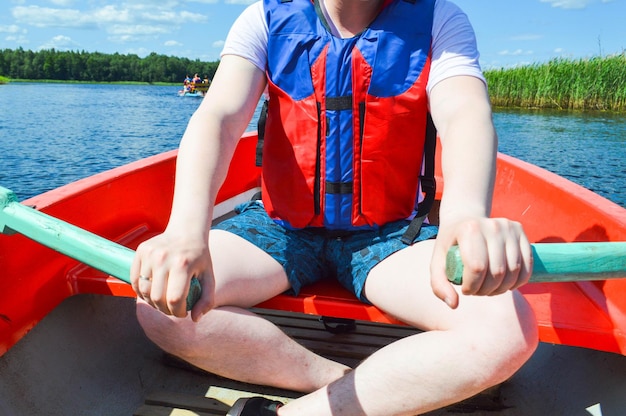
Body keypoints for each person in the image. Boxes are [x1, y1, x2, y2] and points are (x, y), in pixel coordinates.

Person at [131, 0, 539, 414]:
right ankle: (335, 380)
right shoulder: (264, 18)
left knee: (506, 332)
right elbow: (219, 115)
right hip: (280, 229)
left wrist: (465, 214)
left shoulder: (439, 20)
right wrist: (186, 228)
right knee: (160, 300)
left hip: (388, 237)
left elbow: (464, 113)